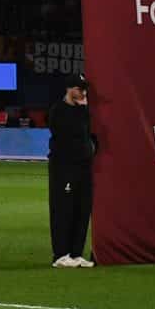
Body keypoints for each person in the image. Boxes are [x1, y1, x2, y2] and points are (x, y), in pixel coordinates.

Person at [48, 78, 95, 267]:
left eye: (84, 90)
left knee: (82, 209)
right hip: (64, 166)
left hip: (83, 165)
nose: (83, 93)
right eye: (79, 89)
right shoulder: (58, 111)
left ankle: (76, 254)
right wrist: (83, 111)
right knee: (63, 210)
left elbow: (87, 134)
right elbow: (69, 134)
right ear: (69, 89)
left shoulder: (82, 111)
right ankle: (60, 254)